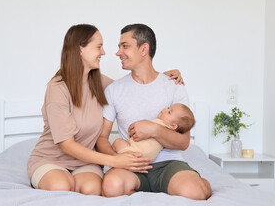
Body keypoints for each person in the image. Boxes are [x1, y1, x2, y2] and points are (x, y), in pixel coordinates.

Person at [27, 24, 183, 196]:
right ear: (80, 49)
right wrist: (116, 161)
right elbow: (67, 145)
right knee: (61, 187)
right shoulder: (57, 87)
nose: (104, 53)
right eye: (99, 47)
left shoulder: (100, 83)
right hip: (51, 159)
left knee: (91, 190)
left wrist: (161, 77)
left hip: (84, 162)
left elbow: (132, 85)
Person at [96, 24, 211, 200]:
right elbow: (102, 138)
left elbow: (183, 142)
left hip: (167, 163)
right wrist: (118, 160)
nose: (118, 52)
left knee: (193, 193)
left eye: (124, 46)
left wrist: (154, 129)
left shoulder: (173, 85)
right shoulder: (114, 90)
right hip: (131, 165)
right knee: (111, 187)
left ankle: (197, 182)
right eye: (119, 47)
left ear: (144, 49)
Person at [113, 103, 195, 161]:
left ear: (173, 126)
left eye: (169, 112)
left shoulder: (159, 123)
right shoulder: (168, 133)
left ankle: (114, 159)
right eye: (168, 107)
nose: (165, 109)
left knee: (118, 142)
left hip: (135, 152)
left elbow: (140, 128)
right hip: (147, 159)